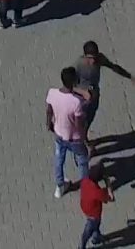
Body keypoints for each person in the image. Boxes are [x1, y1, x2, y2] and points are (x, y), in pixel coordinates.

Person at [76, 40, 133, 144]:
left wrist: (130, 77)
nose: (93, 61)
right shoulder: (79, 64)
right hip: (81, 97)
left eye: (95, 57)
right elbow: (71, 84)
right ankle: (82, 142)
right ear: (84, 56)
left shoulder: (100, 59)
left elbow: (113, 67)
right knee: (81, 120)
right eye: (90, 58)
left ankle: (84, 137)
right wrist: (82, 92)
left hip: (94, 95)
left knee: (90, 118)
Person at [47, 67, 92, 197]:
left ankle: (59, 186)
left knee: (59, 159)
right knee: (83, 160)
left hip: (59, 134)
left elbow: (49, 111)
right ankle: (86, 187)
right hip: (74, 139)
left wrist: (49, 123)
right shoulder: (76, 102)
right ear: (74, 82)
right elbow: (78, 124)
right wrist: (83, 137)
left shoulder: (52, 93)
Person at [77, 171, 112, 249]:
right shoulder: (96, 191)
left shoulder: (85, 181)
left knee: (96, 224)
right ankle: (82, 245)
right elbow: (110, 198)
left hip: (85, 207)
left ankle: (96, 237)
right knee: (89, 229)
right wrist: (108, 184)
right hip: (94, 213)